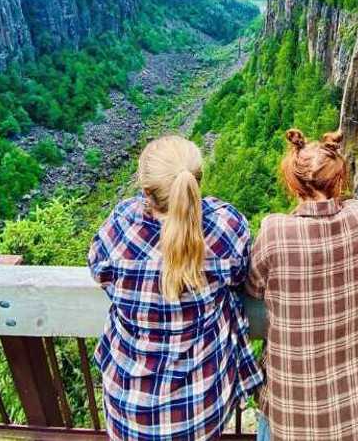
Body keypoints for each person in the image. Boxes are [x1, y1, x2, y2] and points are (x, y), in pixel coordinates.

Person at [89, 135, 261, 441]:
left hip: (130, 409)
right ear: (197, 182)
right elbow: (239, 276)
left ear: (146, 192)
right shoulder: (226, 228)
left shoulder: (122, 227)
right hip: (200, 407)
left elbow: (98, 269)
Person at [248, 129, 358, 441]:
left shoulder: (276, 231)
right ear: (337, 178)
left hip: (294, 406)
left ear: (294, 183)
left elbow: (253, 287)